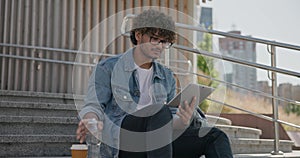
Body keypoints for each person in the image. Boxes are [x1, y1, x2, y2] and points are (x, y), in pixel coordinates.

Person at [76, 9, 233, 158]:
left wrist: (182, 121)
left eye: (164, 42)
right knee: (158, 110)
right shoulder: (108, 68)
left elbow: (170, 121)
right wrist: (91, 120)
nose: (159, 46)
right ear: (138, 35)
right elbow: (93, 105)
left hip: (159, 144)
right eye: (154, 39)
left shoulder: (167, 77)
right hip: (124, 144)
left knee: (214, 136)